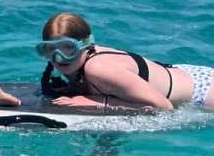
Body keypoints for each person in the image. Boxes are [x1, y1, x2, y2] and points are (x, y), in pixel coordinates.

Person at [37, 12, 214, 111]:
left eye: (68, 48)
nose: (58, 57)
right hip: (180, 75)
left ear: (86, 45)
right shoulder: (79, 63)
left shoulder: (98, 68)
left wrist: (100, 102)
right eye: (50, 49)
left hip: (202, 92)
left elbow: (164, 107)